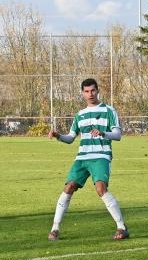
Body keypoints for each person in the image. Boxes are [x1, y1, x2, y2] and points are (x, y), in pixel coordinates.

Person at [47, 78, 129, 240]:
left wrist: (103, 133)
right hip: (82, 158)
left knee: (100, 189)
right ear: (82, 93)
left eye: (92, 90)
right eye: (86, 91)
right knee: (69, 187)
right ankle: (55, 228)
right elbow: (71, 138)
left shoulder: (109, 110)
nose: (90, 94)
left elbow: (118, 135)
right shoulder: (80, 115)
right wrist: (58, 136)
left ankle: (122, 227)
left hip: (101, 156)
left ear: (98, 90)